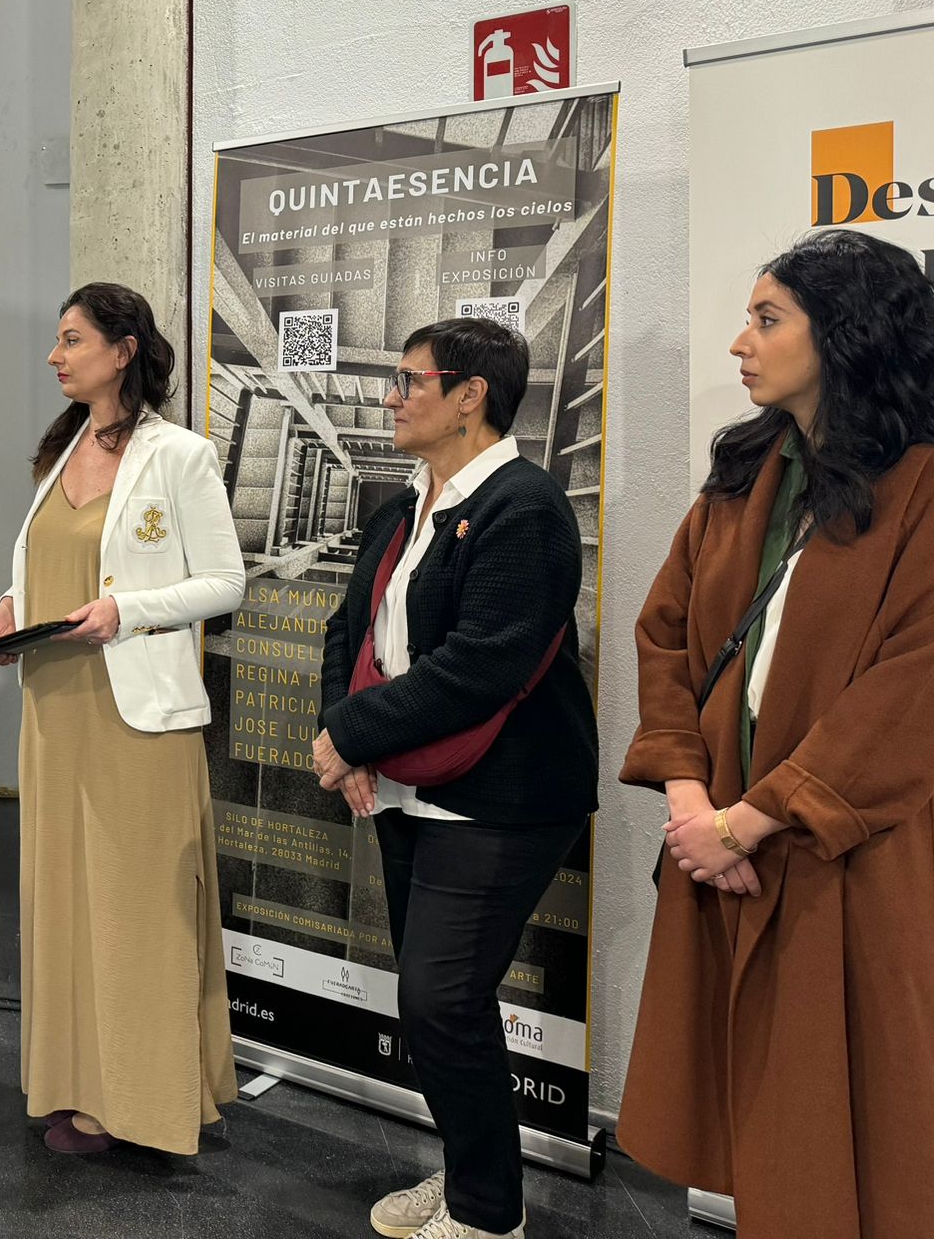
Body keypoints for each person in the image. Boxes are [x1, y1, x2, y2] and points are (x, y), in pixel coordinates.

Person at [618, 229, 934, 1239]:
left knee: (847, 1120)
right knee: (751, 1107)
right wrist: (689, 801)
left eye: (766, 319)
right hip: (719, 848)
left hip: (843, 859)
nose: (739, 344)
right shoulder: (746, 473)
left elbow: (910, 689)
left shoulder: (921, 486)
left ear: (843, 334)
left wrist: (751, 821)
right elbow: (665, 633)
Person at [313, 317, 596, 1239]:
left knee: (439, 1001)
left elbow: (483, 665)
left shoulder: (526, 507)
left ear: (470, 395)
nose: (391, 398)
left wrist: (353, 733)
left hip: (501, 798)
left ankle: (486, 1214)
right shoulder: (403, 507)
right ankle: (475, 1175)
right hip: (409, 785)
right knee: (440, 1004)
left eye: (410, 381)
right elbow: (346, 630)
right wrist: (345, 733)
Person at [0, 281, 245, 1158]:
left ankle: (143, 1101)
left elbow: (225, 584)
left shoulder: (181, 455)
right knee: (66, 905)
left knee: (136, 911)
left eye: (72, 339)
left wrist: (128, 611)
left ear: (123, 350)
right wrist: (10, 606)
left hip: (137, 719)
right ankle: (77, 1081)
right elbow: (53, 559)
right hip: (56, 709)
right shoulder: (60, 452)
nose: (55, 356)